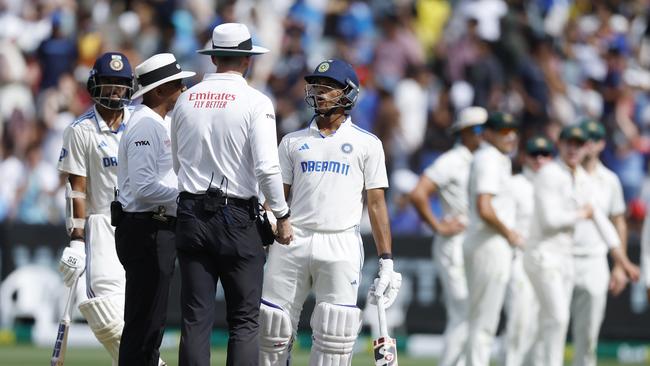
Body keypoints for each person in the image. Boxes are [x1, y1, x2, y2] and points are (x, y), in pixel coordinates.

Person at [258, 59, 402, 366]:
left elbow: (376, 204)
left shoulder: (367, 144)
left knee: (335, 336)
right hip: (292, 239)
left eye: (329, 88)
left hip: (341, 242)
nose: (320, 94)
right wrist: (265, 227)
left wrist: (386, 261)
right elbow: (275, 198)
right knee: (272, 329)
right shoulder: (292, 142)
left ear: (348, 93)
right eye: (317, 87)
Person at [171, 23, 292, 366]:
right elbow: (268, 168)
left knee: (195, 320)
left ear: (213, 58)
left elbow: (177, 161)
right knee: (244, 320)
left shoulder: (186, 99)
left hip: (192, 210)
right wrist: (282, 216)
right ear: (247, 60)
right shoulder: (256, 101)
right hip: (237, 215)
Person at [523, 125, 637, 366]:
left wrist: (623, 262)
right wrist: (579, 214)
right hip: (543, 254)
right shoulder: (549, 174)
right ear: (560, 145)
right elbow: (550, 220)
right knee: (556, 319)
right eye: (569, 143)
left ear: (587, 148)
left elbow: (602, 221)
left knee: (562, 324)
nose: (574, 149)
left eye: (579, 144)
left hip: (567, 258)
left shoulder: (582, 178)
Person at [115, 53, 195, 366]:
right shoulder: (146, 126)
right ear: (159, 91)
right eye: (178, 84)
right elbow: (144, 188)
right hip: (146, 228)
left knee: (150, 322)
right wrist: (186, 196)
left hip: (152, 226)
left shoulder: (155, 123)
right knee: (145, 322)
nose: (184, 89)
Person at [57, 52, 135, 365]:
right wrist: (76, 237)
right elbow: (77, 188)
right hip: (102, 227)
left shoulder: (141, 124)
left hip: (142, 225)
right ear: (95, 84)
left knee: (137, 318)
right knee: (106, 314)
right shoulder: (81, 130)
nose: (115, 90)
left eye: (120, 84)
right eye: (108, 83)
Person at [410, 106, 487, 366]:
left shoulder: (485, 161)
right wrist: (438, 226)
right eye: (478, 130)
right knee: (463, 314)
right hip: (454, 243)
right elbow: (418, 193)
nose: (484, 135)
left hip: (474, 243)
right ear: (463, 133)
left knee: (474, 315)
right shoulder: (452, 161)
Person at [570, 119, 640, 366]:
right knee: (549, 328)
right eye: (581, 139)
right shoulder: (564, 173)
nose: (586, 144)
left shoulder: (609, 180)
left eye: (592, 139)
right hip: (561, 257)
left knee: (588, 335)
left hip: (595, 259)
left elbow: (618, 221)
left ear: (601, 144)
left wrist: (619, 266)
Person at [463, 111, 522, 366]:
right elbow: (485, 207)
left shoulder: (498, 159)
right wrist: (509, 233)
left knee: (485, 319)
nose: (509, 136)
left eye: (512, 131)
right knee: (483, 321)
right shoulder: (488, 158)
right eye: (502, 131)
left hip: (492, 243)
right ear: (487, 134)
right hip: (488, 243)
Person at [503, 135, 554, 366]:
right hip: (520, 259)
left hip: (549, 262)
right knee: (518, 324)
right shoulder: (514, 184)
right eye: (535, 154)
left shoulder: (556, 186)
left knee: (544, 327)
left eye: (545, 155)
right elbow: (504, 223)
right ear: (525, 157)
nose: (540, 160)